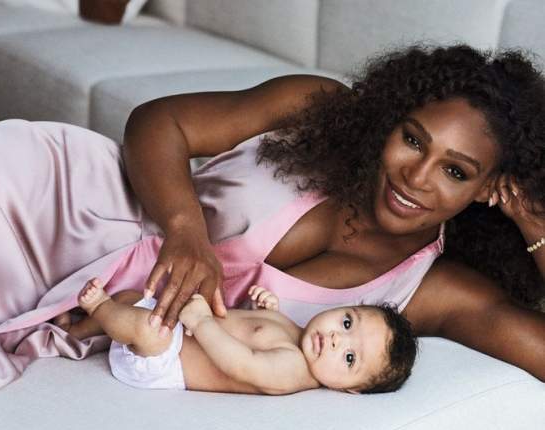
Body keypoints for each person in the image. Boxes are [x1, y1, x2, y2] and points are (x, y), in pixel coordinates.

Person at [122, 44, 545, 381]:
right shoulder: (317, 110)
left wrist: (534, 225)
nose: (416, 177)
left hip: (108, 321)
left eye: (455, 172)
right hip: (87, 209)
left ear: (487, 187)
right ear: (393, 119)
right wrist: (185, 229)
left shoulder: (433, 288)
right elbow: (159, 121)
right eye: (413, 141)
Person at [64, 278, 416, 394]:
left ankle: (100, 309)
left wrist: (203, 322)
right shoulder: (296, 332)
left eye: (350, 358)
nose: (337, 339)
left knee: (146, 327)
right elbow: (245, 331)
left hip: (164, 360)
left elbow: (242, 363)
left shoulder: (295, 371)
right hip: (178, 329)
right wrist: (260, 309)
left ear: (351, 389)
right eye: (348, 323)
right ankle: (77, 330)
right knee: (135, 299)